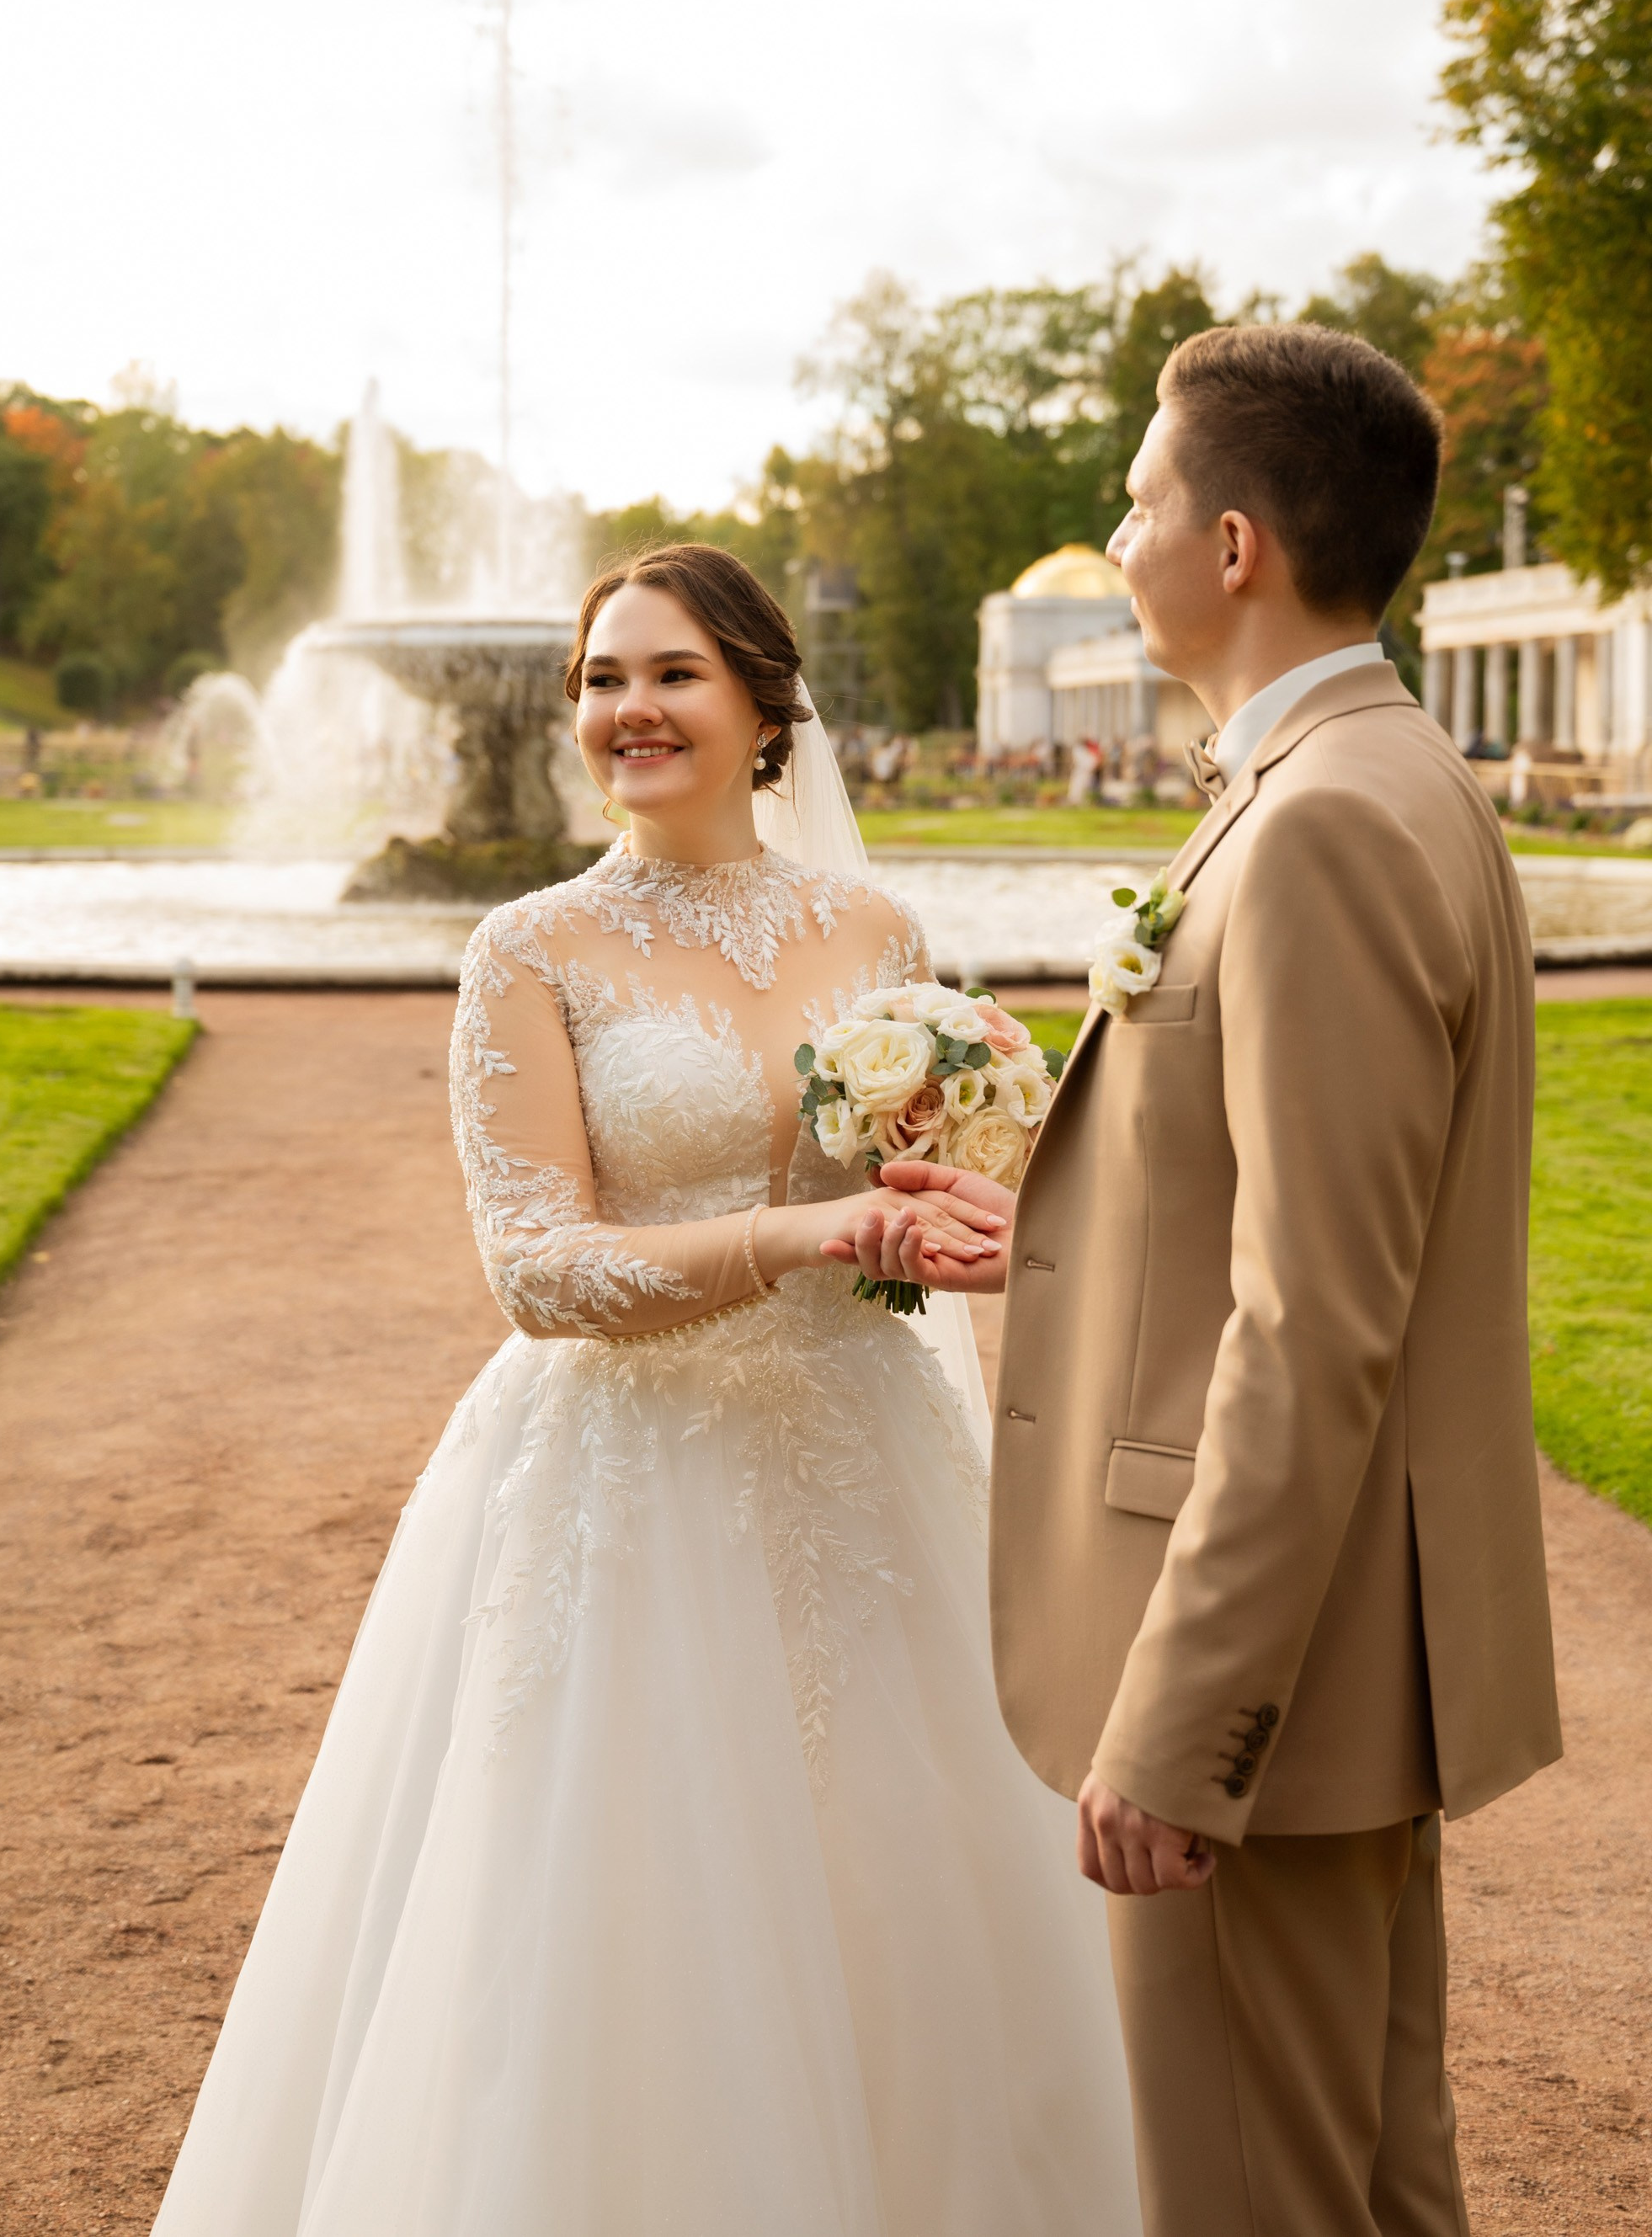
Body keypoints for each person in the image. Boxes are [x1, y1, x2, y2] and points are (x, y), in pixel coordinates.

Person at [152, 543, 1140, 2236]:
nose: (630, 709)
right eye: (602, 679)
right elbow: (536, 1270)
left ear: (763, 701)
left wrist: (943, 1177)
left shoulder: (875, 925)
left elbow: (906, 1225)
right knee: (627, 1922)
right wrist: (811, 1227)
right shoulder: (529, 948)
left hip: (861, 1462)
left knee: (906, 1901)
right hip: (627, 1477)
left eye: (670, 673)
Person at [847, 323, 1561, 2237]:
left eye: (1144, 497)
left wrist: (1181, 1724)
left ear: (1233, 544)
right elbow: (1296, 1227)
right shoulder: (1382, 771)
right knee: (1370, 2189)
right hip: (1356, 1660)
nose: (1121, 525)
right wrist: (1063, 1248)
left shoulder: (1321, 820)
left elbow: (1318, 1317)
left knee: (1256, 2202)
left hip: (1271, 1675)